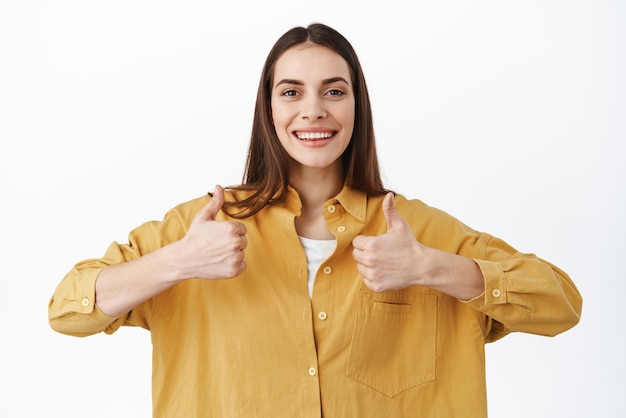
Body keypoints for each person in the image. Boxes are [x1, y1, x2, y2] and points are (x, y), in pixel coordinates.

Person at [48, 23, 582, 417]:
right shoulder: (199, 229)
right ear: (269, 109)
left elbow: (561, 304)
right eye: (291, 92)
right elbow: (68, 308)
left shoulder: (419, 232)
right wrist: (174, 262)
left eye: (333, 90)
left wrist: (432, 268)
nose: (313, 110)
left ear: (356, 106)